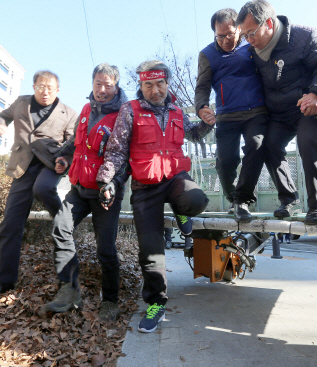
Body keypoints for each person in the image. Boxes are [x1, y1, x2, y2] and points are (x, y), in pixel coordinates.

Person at [96, 60, 213, 333]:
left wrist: (207, 124)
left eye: (159, 83)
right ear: (141, 86)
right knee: (151, 253)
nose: (154, 90)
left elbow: (194, 134)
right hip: (145, 187)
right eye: (148, 85)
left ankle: (179, 208)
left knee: (196, 200)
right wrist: (107, 180)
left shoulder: (175, 110)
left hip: (174, 178)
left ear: (167, 84)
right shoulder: (130, 111)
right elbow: (116, 150)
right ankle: (156, 303)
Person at [44, 63, 129, 321]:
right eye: (98, 84)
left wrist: (114, 183)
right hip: (79, 189)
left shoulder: (124, 115)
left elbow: (126, 157)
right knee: (61, 227)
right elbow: (75, 145)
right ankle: (70, 290)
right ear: (92, 84)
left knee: (106, 250)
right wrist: (63, 158)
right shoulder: (85, 109)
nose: (102, 90)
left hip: (106, 193)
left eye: (108, 85)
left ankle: (111, 301)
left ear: (116, 85)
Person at [237, 0, 317, 223]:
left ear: (269, 23)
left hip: (305, 107)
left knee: (307, 141)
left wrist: (315, 94)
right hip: (278, 113)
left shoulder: (305, 36)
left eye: (252, 32)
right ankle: (289, 200)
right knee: (269, 145)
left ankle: (316, 207)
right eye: (244, 35)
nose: (249, 40)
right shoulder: (252, 51)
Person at [0, 70, 77, 293]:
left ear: (57, 90)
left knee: (42, 188)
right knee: (11, 223)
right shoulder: (21, 102)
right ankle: (5, 280)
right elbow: (4, 115)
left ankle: (65, 221)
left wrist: (65, 159)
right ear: (34, 86)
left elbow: (73, 144)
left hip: (51, 164)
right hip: (22, 166)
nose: (45, 91)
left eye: (50, 88)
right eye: (41, 86)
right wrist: (3, 123)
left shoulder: (69, 113)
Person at [195, 8, 268, 223]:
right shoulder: (207, 54)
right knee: (225, 161)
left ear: (239, 29)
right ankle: (232, 197)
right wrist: (202, 107)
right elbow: (202, 87)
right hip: (226, 114)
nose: (225, 40)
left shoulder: (252, 45)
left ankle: (242, 200)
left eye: (230, 34)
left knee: (256, 147)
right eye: (220, 35)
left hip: (255, 111)